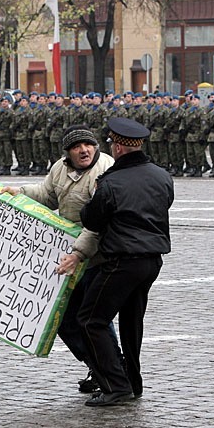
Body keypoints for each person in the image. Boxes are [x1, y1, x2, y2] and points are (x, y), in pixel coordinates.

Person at [1, 125, 120, 394]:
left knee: (93, 317)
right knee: (64, 318)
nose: (84, 150)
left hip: (96, 254)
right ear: (67, 152)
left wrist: (80, 254)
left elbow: (100, 222)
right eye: (77, 147)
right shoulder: (60, 168)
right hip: (69, 254)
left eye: (88, 145)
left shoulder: (106, 169)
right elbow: (47, 196)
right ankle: (95, 366)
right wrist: (18, 191)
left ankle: (113, 370)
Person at [73, 117, 174, 407]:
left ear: (117, 147)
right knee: (132, 322)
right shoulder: (160, 175)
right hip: (152, 261)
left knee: (91, 319)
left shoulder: (111, 182)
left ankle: (116, 386)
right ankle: (133, 383)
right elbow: (165, 203)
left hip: (121, 261)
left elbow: (92, 219)